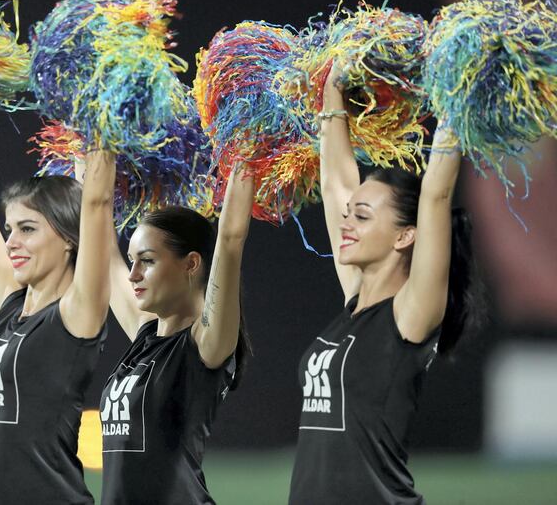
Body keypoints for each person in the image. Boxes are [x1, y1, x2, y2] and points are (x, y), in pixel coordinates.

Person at [287, 63, 484, 504]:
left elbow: (435, 193)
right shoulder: (354, 300)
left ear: (405, 235)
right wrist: (333, 87)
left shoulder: (411, 315)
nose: (346, 223)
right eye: (348, 214)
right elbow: (336, 180)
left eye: (362, 216)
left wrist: (456, 87)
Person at [0, 118, 115, 505]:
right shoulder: (10, 303)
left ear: (69, 238)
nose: (11, 242)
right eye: (9, 228)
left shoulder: (75, 316)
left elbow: (96, 202)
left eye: (28, 229)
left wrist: (100, 113)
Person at [99, 166, 254, 504]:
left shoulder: (205, 345)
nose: (133, 275)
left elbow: (230, 238)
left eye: (148, 261)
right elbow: (103, 249)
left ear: (191, 264)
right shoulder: (144, 338)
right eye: (133, 261)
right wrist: (91, 145)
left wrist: (243, 154)